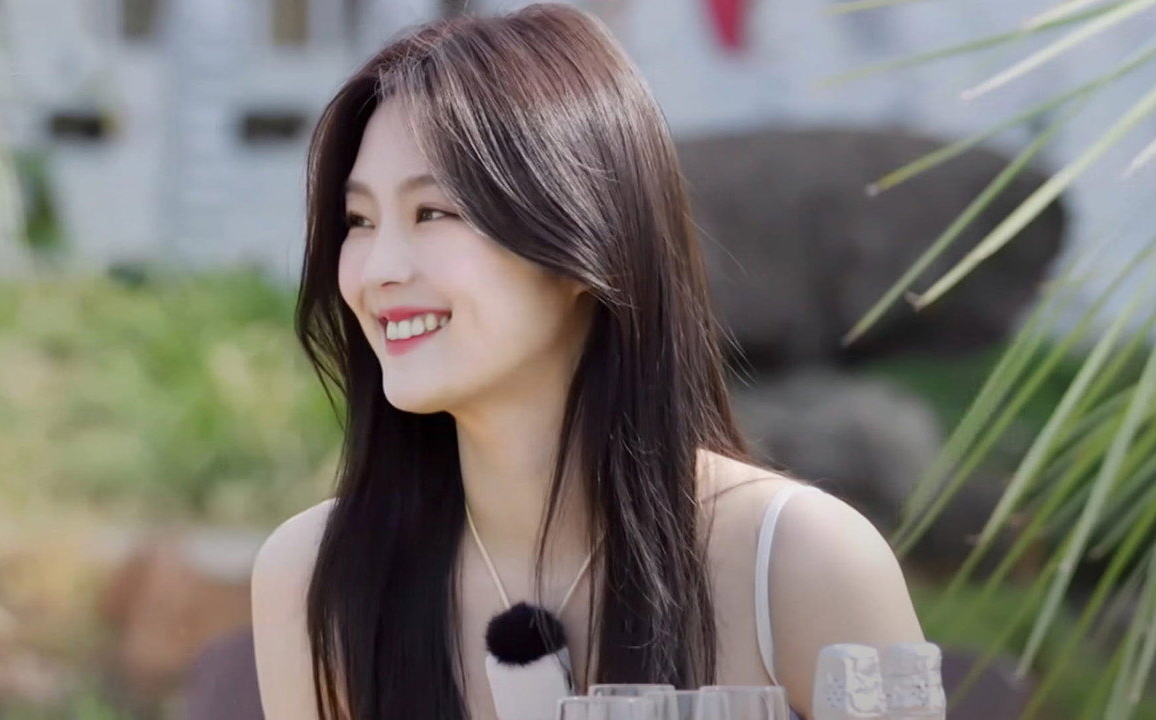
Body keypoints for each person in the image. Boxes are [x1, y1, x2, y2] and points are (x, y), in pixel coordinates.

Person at [250, 4, 924, 719]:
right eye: (358, 221)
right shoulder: (316, 578)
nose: (379, 269)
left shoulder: (800, 562)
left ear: (584, 240)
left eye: (434, 213)